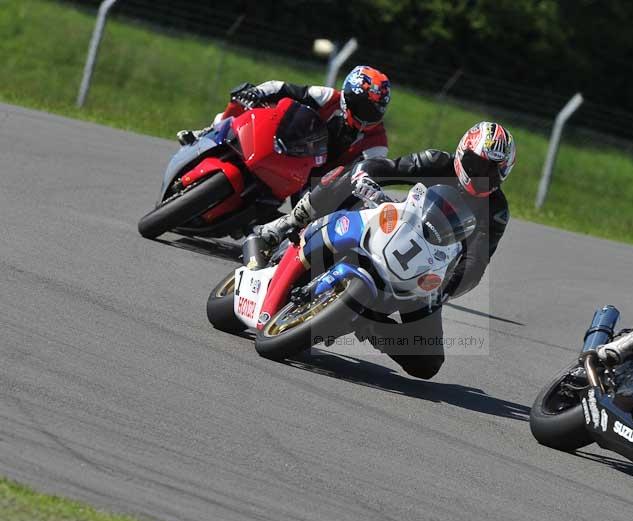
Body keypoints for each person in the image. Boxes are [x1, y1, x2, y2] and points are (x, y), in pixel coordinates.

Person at [254, 121, 516, 379]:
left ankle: (369, 324)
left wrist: (445, 290)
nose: (482, 176)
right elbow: (387, 167)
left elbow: (475, 263)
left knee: (428, 363)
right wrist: (365, 177)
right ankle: (288, 223)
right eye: (477, 165)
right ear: (461, 154)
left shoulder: (496, 212)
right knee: (343, 175)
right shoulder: (437, 162)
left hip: (425, 270)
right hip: (392, 228)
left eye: (492, 172)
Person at [178, 65, 391, 177]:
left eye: (374, 110)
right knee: (241, 97)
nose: (367, 115)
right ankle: (207, 132)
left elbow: (371, 171)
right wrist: (256, 93)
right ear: (347, 96)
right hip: (291, 148)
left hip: (320, 179)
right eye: (364, 107)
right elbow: (280, 88)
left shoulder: (377, 143)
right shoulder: (327, 97)